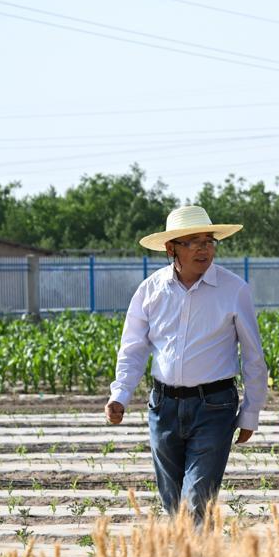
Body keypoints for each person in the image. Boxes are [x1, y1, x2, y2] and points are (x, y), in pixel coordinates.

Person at [106, 205, 267, 525]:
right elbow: (134, 348)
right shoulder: (150, 291)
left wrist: (251, 412)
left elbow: (253, 355)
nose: (204, 248)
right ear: (171, 249)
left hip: (215, 407)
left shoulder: (234, 289)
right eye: (193, 241)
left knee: (196, 501)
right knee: (173, 502)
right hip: (163, 406)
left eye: (209, 241)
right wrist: (120, 394)